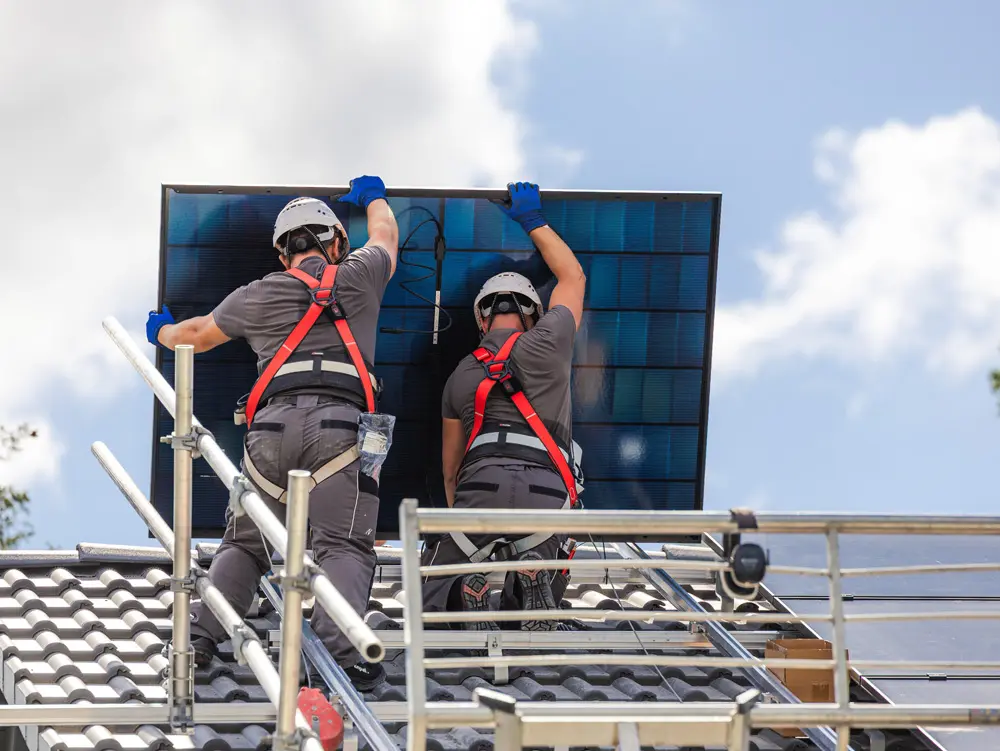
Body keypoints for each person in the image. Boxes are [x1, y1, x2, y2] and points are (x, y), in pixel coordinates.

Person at [145, 175, 398, 690]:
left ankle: (199, 637)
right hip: (340, 433)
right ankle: (340, 656)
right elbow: (387, 234)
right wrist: (372, 196)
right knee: (343, 545)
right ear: (334, 244)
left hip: (269, 434)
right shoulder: (360, 274)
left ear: (285, 255)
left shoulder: (259, 294)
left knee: (245, 541)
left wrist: (162, 332)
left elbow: (193, 337)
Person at [421, 181, 586, 631]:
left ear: (480, 318)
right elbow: (573, 278)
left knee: (437, 587)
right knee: (545, 554)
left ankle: (464, 581)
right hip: (546, 491)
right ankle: (532, 574)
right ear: (533, 313)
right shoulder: (551, 341)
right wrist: (532, 220)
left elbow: (451, 471)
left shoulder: (459, 376)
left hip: (482, 482)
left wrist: (466, 527)